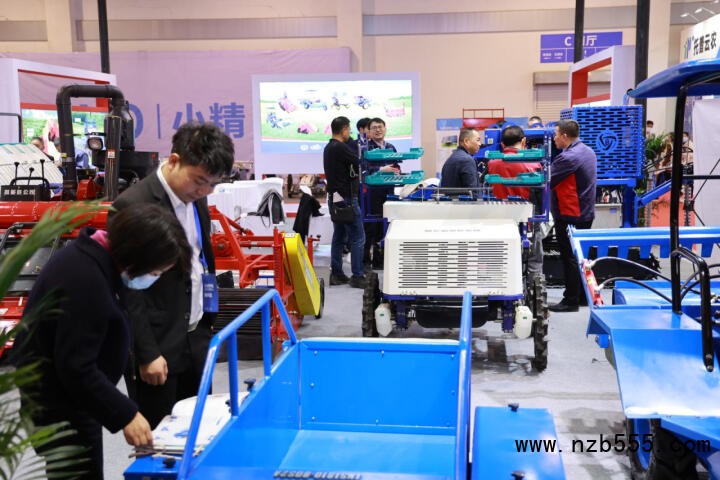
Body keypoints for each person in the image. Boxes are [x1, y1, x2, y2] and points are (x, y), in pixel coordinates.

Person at [12, 203, 191, 480]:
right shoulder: (85, 279)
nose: (153, 280)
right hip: (61, 406)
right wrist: (126, 414)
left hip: (79, 400)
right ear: (136, 257)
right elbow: (75, 367)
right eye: (155, 273)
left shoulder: (95, 258)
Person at [112, 121, 234, 429]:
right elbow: (126, 289)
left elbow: (201, 257)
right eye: (200, 181)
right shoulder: (132, 204)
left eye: (213, 185)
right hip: (158, 346)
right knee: (160, 437)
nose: (205, 191)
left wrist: (207, 322)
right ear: (175, 160)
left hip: (197, 335)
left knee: (200, 429)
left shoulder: (197, 197)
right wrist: (146, 353)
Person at [547, 119, 597, 313]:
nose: (554, 138)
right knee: (581, 257)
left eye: (556, 134)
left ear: (564, 136)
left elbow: (547, 179)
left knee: (570, 257)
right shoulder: (588, 151)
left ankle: (571, 300)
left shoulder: (569, 157)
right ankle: (583, 296)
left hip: (570, 214)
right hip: (584, 212)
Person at [487, 125, 544, 276]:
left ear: (502, 144)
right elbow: (540, 197)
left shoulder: (492, 164)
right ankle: (533, 285)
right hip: (528, 221)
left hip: (500, 220)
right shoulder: (534, 165)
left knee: (501, 259)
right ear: (523, 141)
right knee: (534, 260)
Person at [323, 116, 367, 288]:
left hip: (335, 198)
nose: (350, 133)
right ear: (343, 130)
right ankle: (357, 275)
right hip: (346, 198)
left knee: (339, 236)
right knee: (358, 236)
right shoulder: (340, 147)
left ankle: (337, 274)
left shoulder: (329, 147)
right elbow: (359, 161)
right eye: (349, 129)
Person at [363, 117, 400, 268]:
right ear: (369, 131)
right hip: (371, 194)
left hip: (388, 191)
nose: (378, 130)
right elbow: (364, 170)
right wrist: (381, 170)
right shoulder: (366, 148)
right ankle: (365, 262)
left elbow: (396, 165)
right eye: (374, 128)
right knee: (371, 228)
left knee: (385, 226)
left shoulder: (391, 147)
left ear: (385, 129)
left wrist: (397, 171)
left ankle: (380, 260)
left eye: (380, 127)